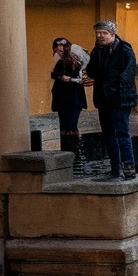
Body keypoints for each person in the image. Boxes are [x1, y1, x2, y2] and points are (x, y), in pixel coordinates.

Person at [83, 20, 138, 180]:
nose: (100, 36)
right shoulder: (97, 51)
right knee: (108, 134)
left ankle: (129, 167)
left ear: (112, 34)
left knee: (122, 133)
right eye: (98, 33)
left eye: (103, 33)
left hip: (120, 99)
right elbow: (92, 72)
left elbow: (129, 72)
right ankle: (115, 168)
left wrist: (117, 86)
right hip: (103, 99)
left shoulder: (124, 49)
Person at [50, 37, 90, 175]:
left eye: (63, 45)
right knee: (64, 125)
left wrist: (73, 78)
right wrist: (61, 77)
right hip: (62, 95)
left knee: (72, 125)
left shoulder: (76, 58)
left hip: (74, 95)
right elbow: (54, 74)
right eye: (57, 45)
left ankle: (74, 156)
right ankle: (66, 155)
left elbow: (83, 74)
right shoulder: (57, 59)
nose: (60, 48)